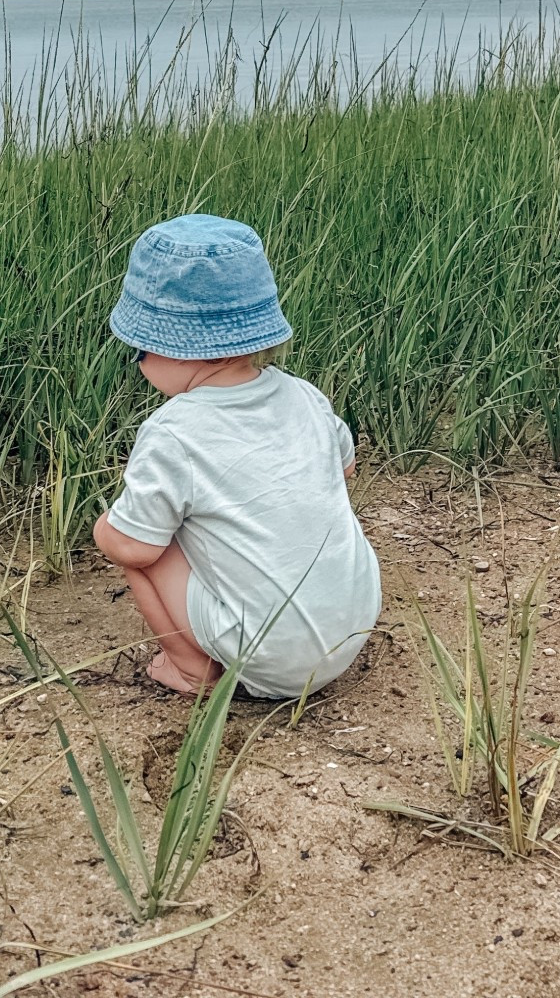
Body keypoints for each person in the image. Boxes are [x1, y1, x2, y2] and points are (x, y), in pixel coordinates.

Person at [92, 213, 381, 699]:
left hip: (275, 659)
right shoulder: (305, 395)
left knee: (135, 543)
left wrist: (106, 529)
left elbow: (134, 548)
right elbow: (343, 467)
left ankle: (190, 669)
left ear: (178, 350)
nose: (137, 362)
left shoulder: (173, 431)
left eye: (139, 349)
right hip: (352, 627)